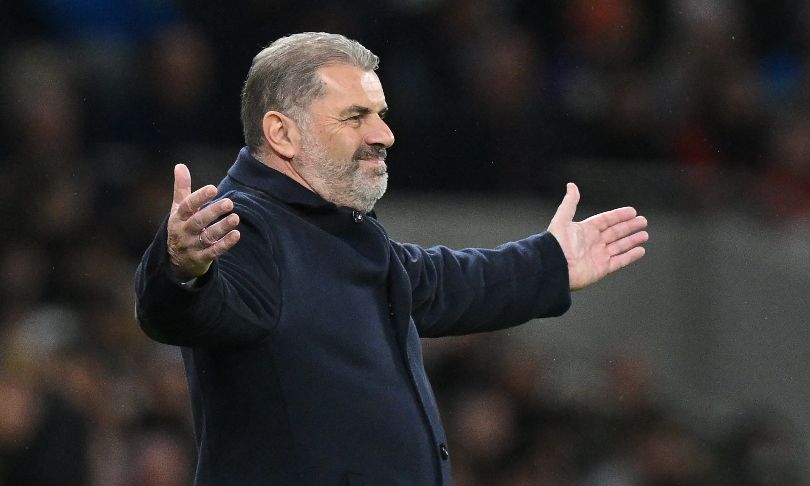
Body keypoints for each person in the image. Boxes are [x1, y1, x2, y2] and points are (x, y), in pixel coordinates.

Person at [134, 32, 648, 486]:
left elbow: (447, 283)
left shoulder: (336, 232)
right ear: (282, 133)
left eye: (380, 115)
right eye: (356, 117)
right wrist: (181, 269)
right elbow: (185, 310)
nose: (384, 134)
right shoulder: (247, 227)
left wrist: (550, 263)